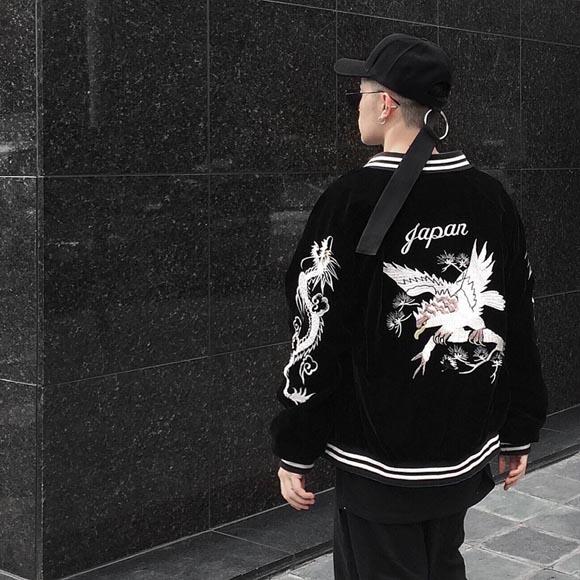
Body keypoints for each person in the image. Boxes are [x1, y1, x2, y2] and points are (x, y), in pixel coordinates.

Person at [269, 32, 548, 579]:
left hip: (380, 462)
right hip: (461, 449)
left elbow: (317, 328)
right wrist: (519, 428)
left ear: (386, 103)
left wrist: (296, 443)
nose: (357, 106)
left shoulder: (351, 200)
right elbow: (519, 318)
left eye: (361, 93)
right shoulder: (489, 198)